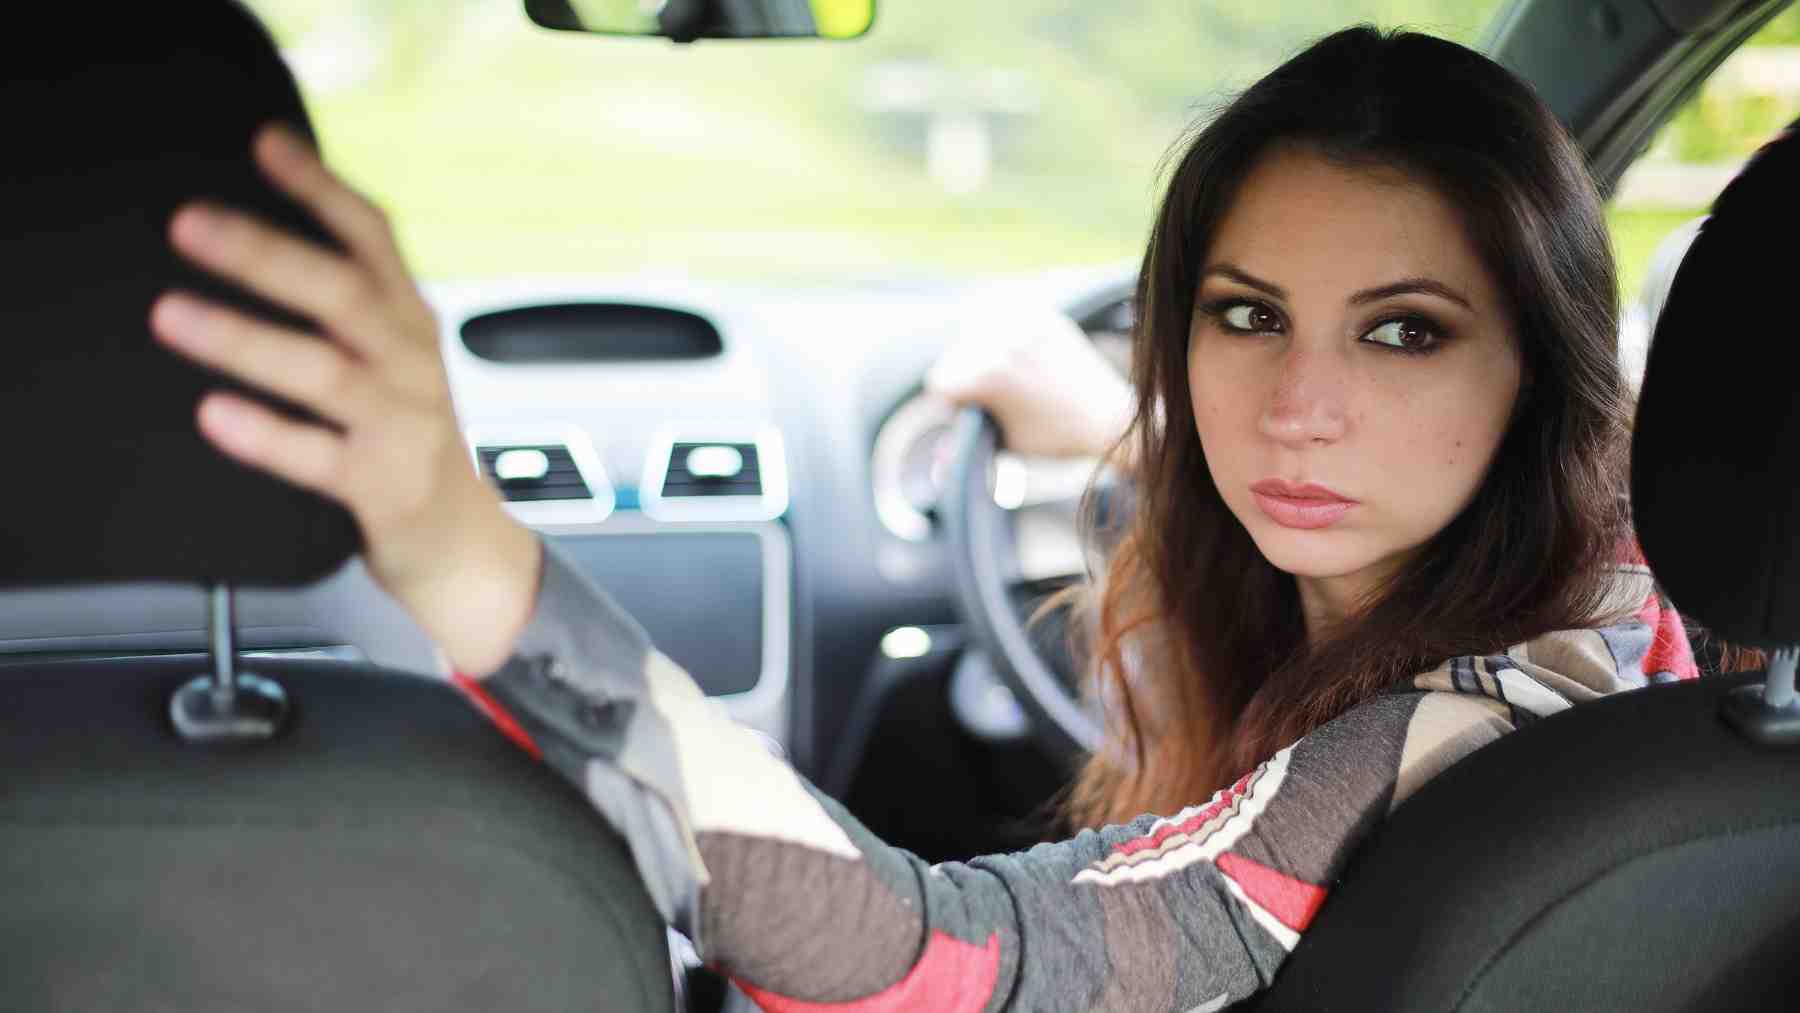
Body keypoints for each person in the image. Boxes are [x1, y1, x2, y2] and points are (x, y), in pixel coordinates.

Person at [149, 24, 1705, 1012]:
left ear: (1541, 363)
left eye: (1403, 331)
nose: (1298, 409)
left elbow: (921, 960)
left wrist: (449, 535)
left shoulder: (1443, 746)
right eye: (1245, 314)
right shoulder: (1653, 588)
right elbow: (1287, 445)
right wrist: (1120, 441)